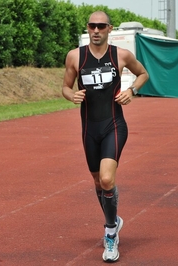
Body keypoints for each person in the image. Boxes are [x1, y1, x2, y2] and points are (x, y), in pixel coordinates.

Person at [62, 11, 149, 262]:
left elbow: (143, 73)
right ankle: (114, 220)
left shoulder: (121, 55)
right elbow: (66, 86)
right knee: (98, 182)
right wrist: (72, 96)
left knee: (108, 179)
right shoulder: (75, 56)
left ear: (109, 29)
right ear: (87, 28)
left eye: (101, 26)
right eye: (92, 25)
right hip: (89, 128)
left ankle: (110, 233)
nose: (96, 30)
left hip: (114, 124)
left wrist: (131, 90)